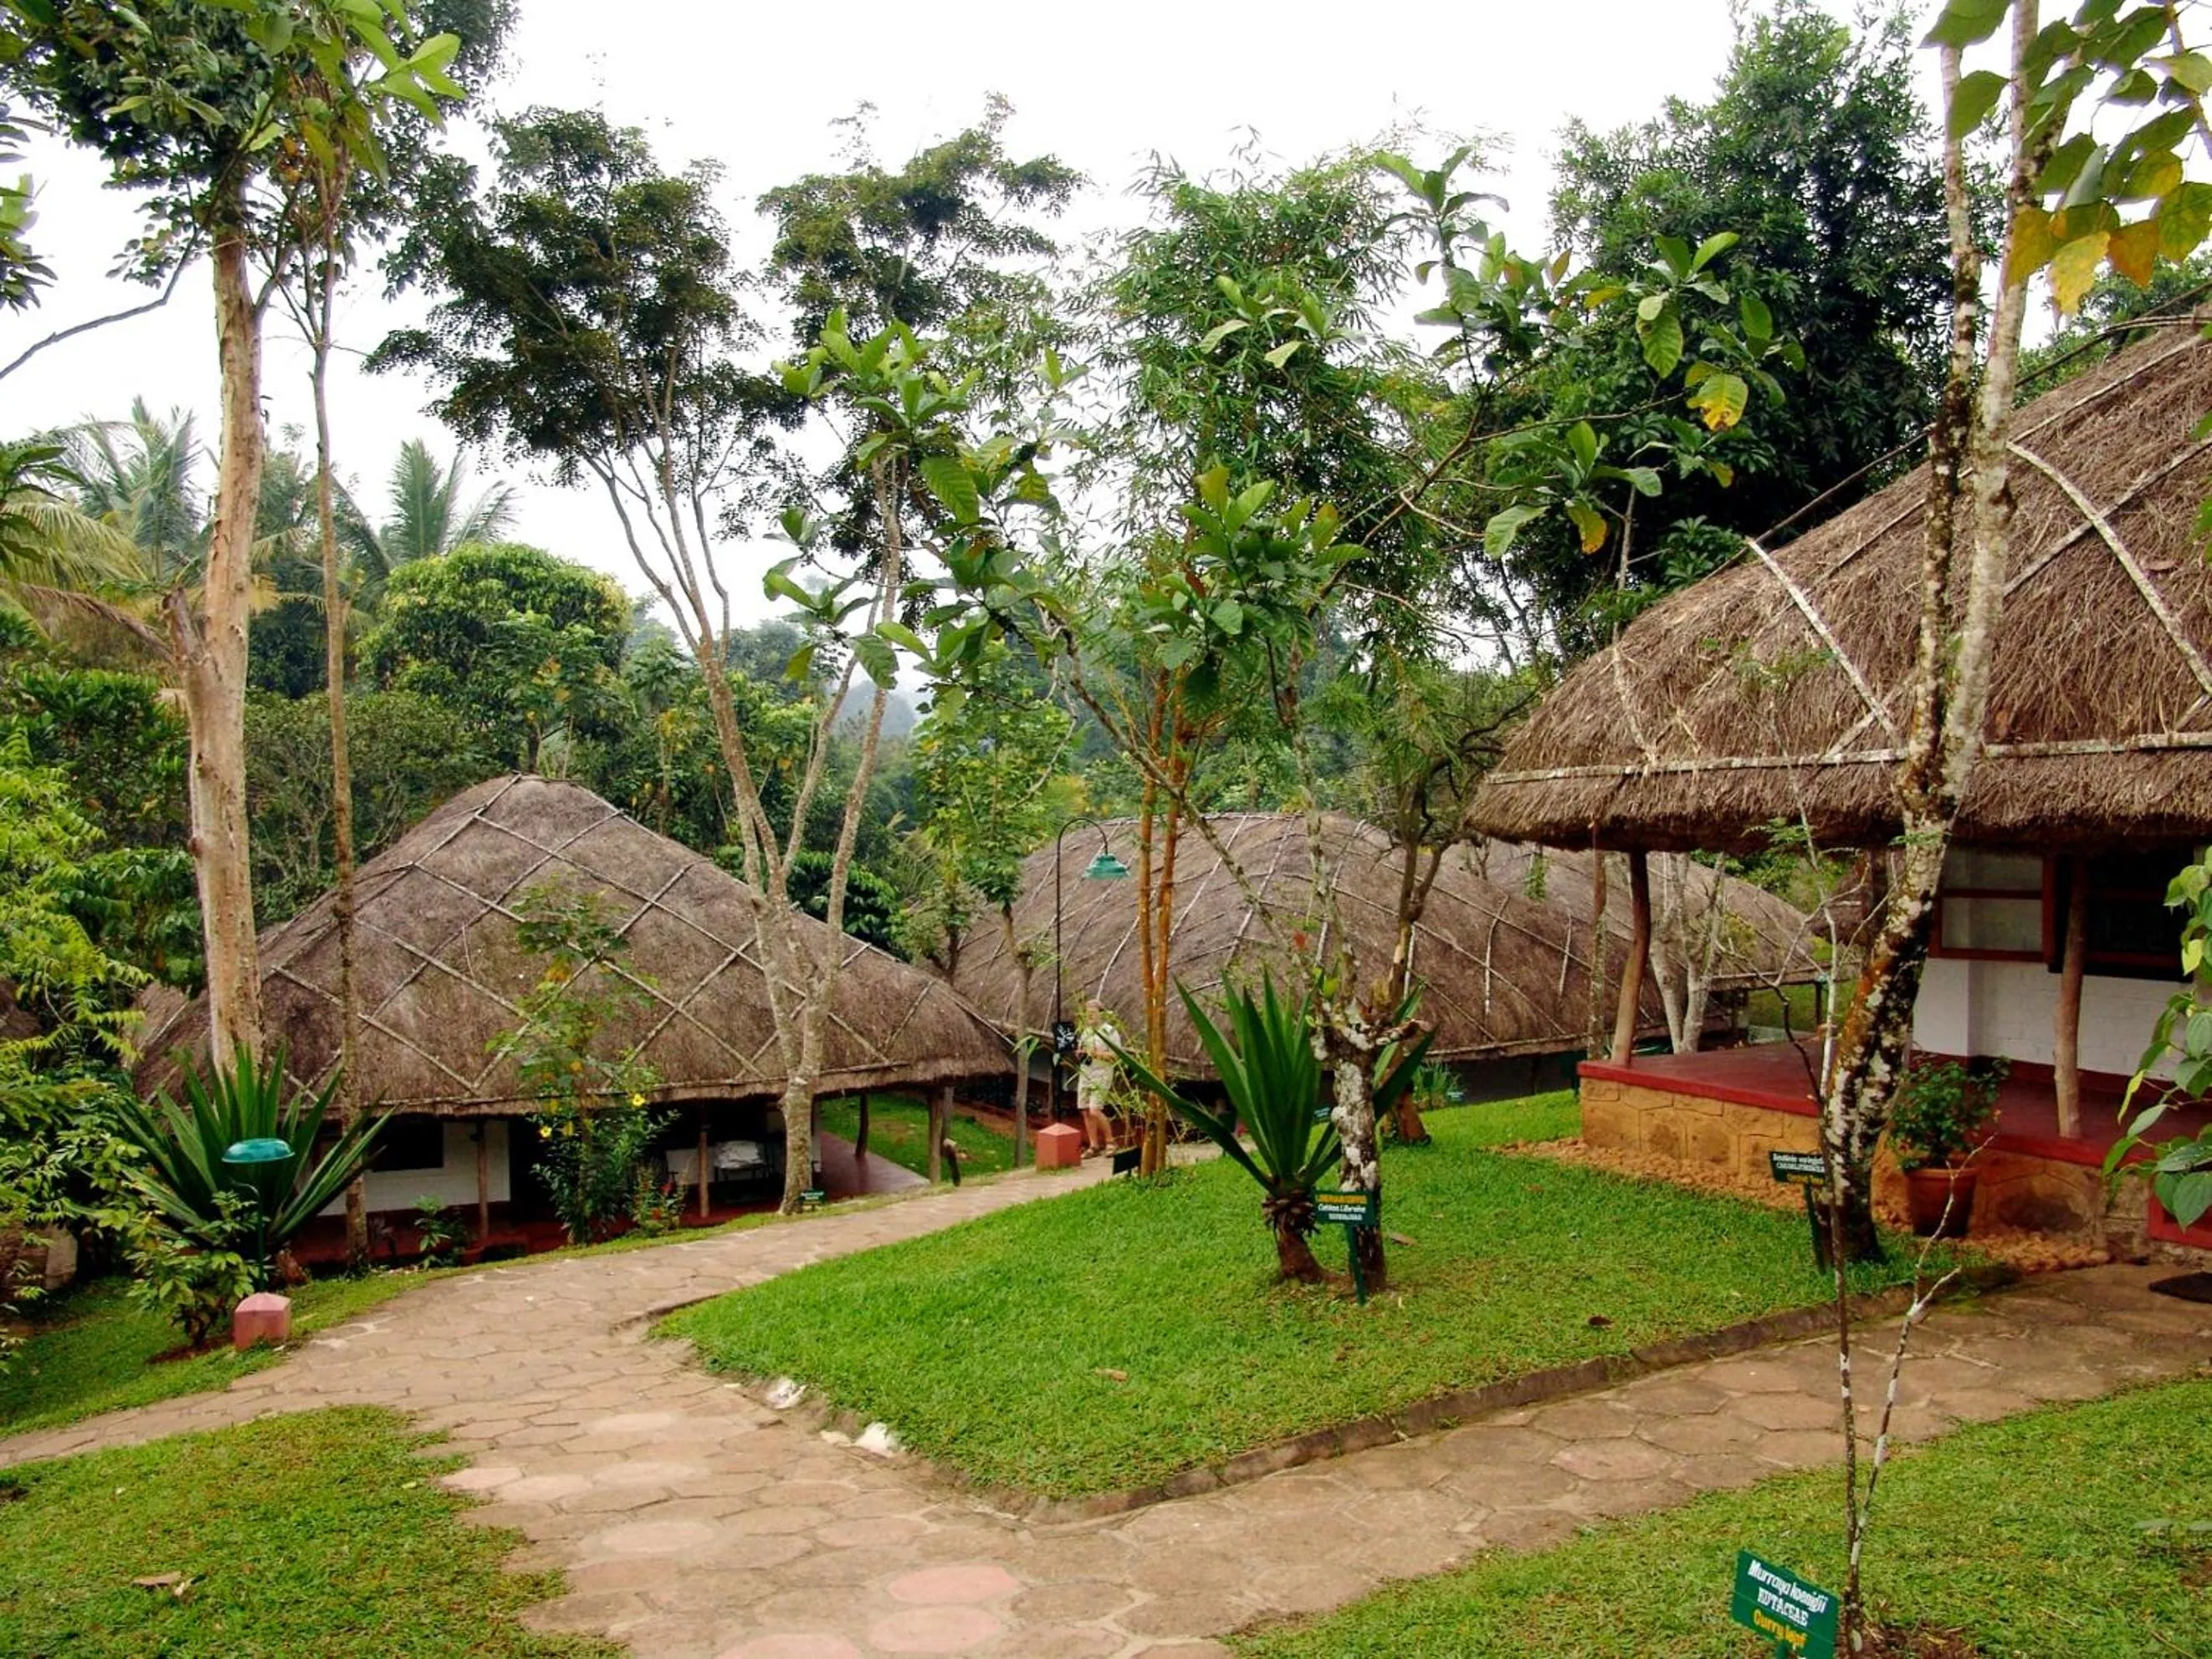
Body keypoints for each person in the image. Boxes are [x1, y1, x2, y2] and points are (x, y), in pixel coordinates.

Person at [1074, 999, 1126, 1155]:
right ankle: (1094, 1145)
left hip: (1101, 1073)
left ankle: (1111, 1142)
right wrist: (1080, 1054)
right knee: (1084, 1109)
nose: (1089, 1016)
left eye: (1093, 1013)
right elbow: (1082, 1050)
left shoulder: (1109, 1032)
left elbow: (1116, 1056)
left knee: (1095, 1110)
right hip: (1086, 1072)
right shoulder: (1086, 1031)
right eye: (1087, 1013)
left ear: (1100, 1014)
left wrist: (1096, 1054)